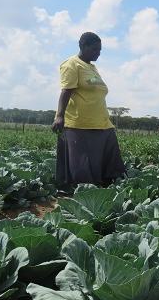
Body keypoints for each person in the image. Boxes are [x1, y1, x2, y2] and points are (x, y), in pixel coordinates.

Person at [51, 32, 125, 188]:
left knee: (110, 162)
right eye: (94, 49)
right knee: (83, 166)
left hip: (102, 123)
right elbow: (66, 91)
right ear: (83, 46)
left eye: (100, 50)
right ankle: (80, 192)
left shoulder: (92, 67)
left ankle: (105, 189)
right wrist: (59, 116)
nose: (98, 53)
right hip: (80, 124)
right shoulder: (71, 64)